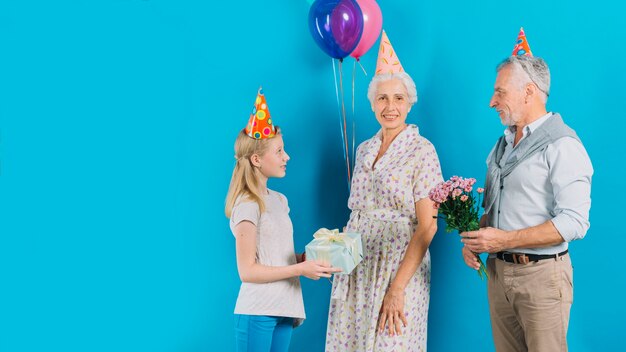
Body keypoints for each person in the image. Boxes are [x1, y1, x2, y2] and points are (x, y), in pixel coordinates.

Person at [461, 30, 593, 352]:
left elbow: (574, 222)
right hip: (498, 274)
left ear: (528, 92)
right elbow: (499, 208)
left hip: (542, 279)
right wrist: (477, 240)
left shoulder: (563, 146)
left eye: (499, 92)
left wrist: (503, 240)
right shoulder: (503, 145)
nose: (492, 102)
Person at [325, 31, 443, 351]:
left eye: (398, 98)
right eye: (382, 98)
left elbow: (428, 225)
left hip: (399, 266)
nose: (390, 106)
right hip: (357, 265)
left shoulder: (422, 151)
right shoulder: (365, 149)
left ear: (409, 103)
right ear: (372, 103)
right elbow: (358, 213)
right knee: (349, 343)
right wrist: (329, 254)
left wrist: (397, 288)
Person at [225, 88, 340, 352]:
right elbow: (247, 271)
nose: (286, 157)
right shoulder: (247, 205)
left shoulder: (279, 200)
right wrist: (300, 270)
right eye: (279, 151)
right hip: (258, 310)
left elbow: (276, 256)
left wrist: (310, 256)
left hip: (285, 307)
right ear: (256, 159)